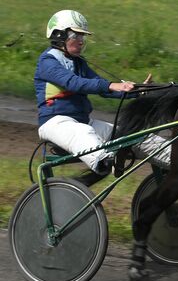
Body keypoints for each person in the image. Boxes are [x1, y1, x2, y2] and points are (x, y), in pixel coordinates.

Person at [34, 10, 147, 179]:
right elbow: (75, 83)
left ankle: (173, 160)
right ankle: (104, 163)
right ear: (59, 35)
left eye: (82, 37)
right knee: (85, 133)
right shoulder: (47, 62)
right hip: (55, 123)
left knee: (132, 136)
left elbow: (103, 88)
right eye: (76, 35)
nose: (81, 41)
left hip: (83, 122)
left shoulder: (78, 62)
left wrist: (137, 91)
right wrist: (113, 85)